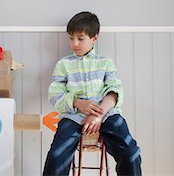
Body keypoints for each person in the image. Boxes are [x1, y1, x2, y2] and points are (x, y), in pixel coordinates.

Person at [43, 11, 141, 176]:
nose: (75, 43)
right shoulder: (63, 64)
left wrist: (99, 114)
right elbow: (54, 93)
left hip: (107, 114)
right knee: (56, 155)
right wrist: (78, 103)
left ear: (94, 38)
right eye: (71, 38)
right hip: (73, 116)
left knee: (131, 154)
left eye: (80, 38)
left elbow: (115, 91)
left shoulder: (105, 63)